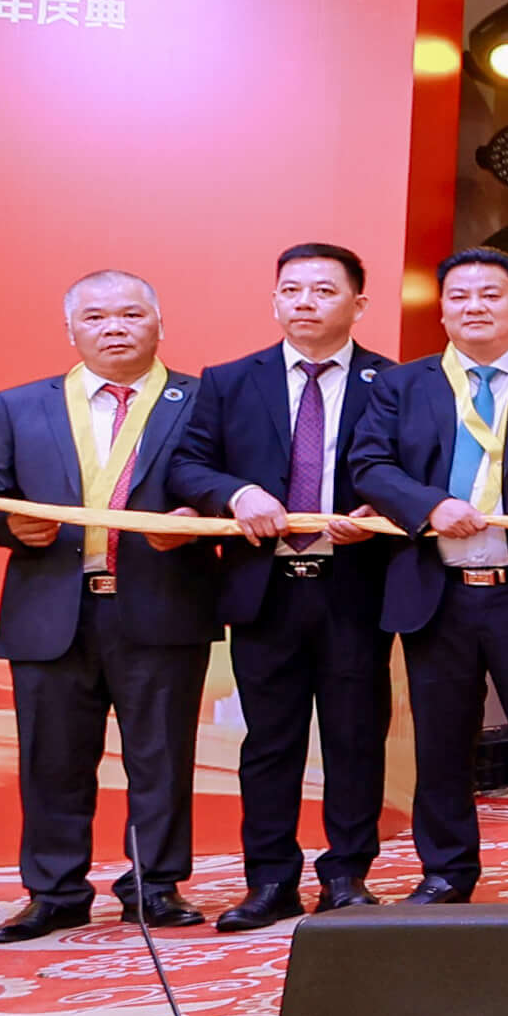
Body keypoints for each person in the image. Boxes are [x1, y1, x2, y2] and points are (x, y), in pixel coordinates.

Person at [0, 272, 216, 942]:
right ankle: (54, 891)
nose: (114, 328)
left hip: (162, 601)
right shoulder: (19, 406)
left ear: (159, 324)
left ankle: (156, 886)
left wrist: (198, 520)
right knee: (51, 758)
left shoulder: (202, 400)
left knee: (162, 755)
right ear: (71, 330)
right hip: (52, 608)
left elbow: (227, 484)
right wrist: (6, 527)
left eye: (131, 314)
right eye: (96, 316)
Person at [345, 248, 508, 902]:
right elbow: (369, 464)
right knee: (441, 743)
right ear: (443, 309)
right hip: (437, 590)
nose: (474, 306)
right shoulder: (403, 384)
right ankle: (447, 870)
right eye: (459, 296)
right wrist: (429, 506)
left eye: (490, 294)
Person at [170, 241, 398, 928]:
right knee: (269, 741)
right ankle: (269, 880)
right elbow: (187, 465)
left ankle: (348, 875)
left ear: (358, 303)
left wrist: (385, 508)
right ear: (274, 300)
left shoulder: (393, 383)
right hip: (264, 585)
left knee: (356, 737)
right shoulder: (230, 380)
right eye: (292, 290)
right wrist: (237, 493)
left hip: (354, 583)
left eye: (324, 291)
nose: (305, 303)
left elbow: (416, 468)